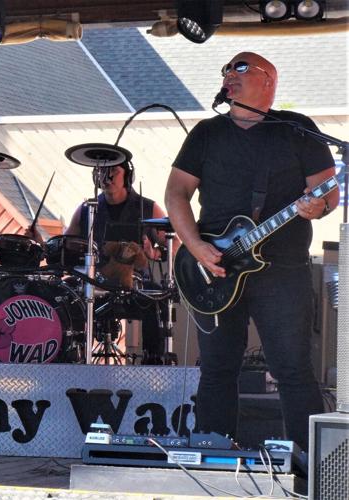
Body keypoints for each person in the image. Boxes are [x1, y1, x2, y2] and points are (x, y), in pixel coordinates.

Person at [165, 52, 336, 452]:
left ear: (269, 81)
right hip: (215, 266)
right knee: (218, 368)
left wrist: (319, 206)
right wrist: (196, 246)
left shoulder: (298, 130)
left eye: (241, 68)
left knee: (292, 369)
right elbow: (176, 193)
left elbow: (329, 193)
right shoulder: (206, 133)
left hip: (283, 269)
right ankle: (213, 456)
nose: (230, 75)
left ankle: (312, 466)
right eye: (226, 70)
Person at [65, 160, 176, 364]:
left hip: (135, 283)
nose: (107, 177)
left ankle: (154, 363)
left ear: (127, 176)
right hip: (95, 282)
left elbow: (174, 243)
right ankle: (73, 360)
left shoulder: (148, 207)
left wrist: (156, 253)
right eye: (102, 171)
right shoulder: (86, 208)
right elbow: (64, 243)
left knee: (156, 300)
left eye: (113, 171)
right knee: (67, 296)